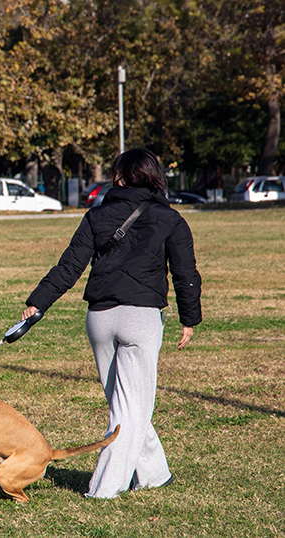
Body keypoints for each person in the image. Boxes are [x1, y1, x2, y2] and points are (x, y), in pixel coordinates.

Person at [21, 147, 202, 499]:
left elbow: (68, 268)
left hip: (100, 320)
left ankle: (154, 474)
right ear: (154, 176)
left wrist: (37, 301)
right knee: (132, 407)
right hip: (141, 319)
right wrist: (189, 318)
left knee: (125, 405)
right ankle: (104, 488)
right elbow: (186, 274)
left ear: (120, 176)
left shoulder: (96, 216)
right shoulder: (172, 220)